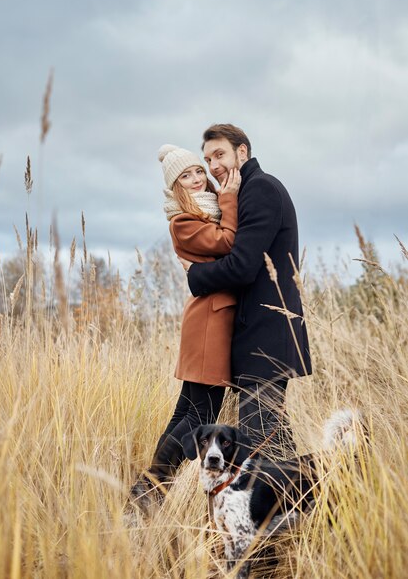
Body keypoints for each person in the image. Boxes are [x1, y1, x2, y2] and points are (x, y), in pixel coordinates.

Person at [179, 124, 312, 456]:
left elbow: (243, 265)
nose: (213, 166)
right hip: (256, 337)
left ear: (242, 152)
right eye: (208, 159)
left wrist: (196, 273)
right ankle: (306, 504)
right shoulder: (243, 192)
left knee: (261, 441)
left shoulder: (261, 189)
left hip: (266, 336)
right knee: (271, 441)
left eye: (219, 154)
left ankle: (304, 503)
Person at [129, 143, 241, 511]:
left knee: (185, 412)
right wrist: (230, 198)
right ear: (173, 186)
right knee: (201, 416)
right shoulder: (184, 220)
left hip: (206, 317)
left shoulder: (201, 212)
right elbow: (227, 242)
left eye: (197, 172)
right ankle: (151, 489)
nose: (196, 180)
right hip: (210, 320)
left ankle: (147, 490)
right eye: (185, 176)